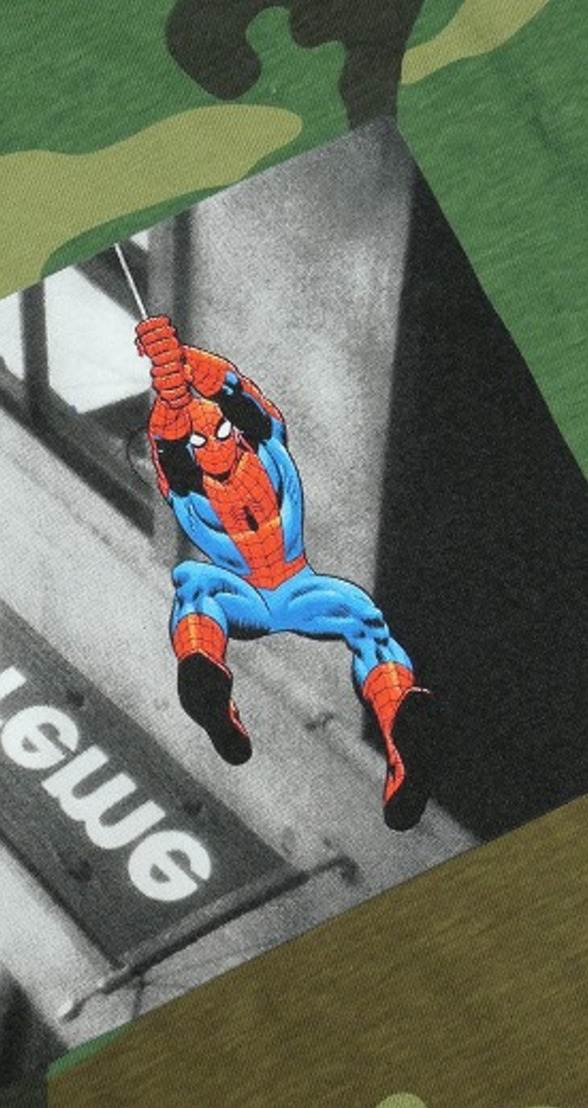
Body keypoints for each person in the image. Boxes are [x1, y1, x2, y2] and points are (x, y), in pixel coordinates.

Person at [135, 314, 435, 831]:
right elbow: (168, 447)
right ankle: (205, 677)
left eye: (223, 432)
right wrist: (169, 390)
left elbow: (241, 397)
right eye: (201, 443)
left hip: (298, 585)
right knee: (196, 585)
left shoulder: (268, 449)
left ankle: (403, 734)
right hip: (244, 591)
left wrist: (184, 361)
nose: (216, 445)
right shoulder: (189, 488)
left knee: (366, 620)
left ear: (236, 430)